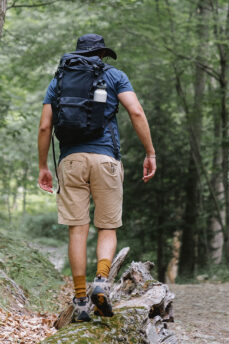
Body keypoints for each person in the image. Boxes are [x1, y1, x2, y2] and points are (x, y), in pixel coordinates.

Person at [37, 33, 156, 322]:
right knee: (107, 226)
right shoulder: (114, 76)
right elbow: (136, 112)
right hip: (106, 160)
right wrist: (150, 152)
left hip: (71, 161)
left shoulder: (60, 80)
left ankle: (80, 301)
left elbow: (44, 127)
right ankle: (101, 282)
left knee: (77, 229)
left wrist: (43, 166)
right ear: (101, 54)